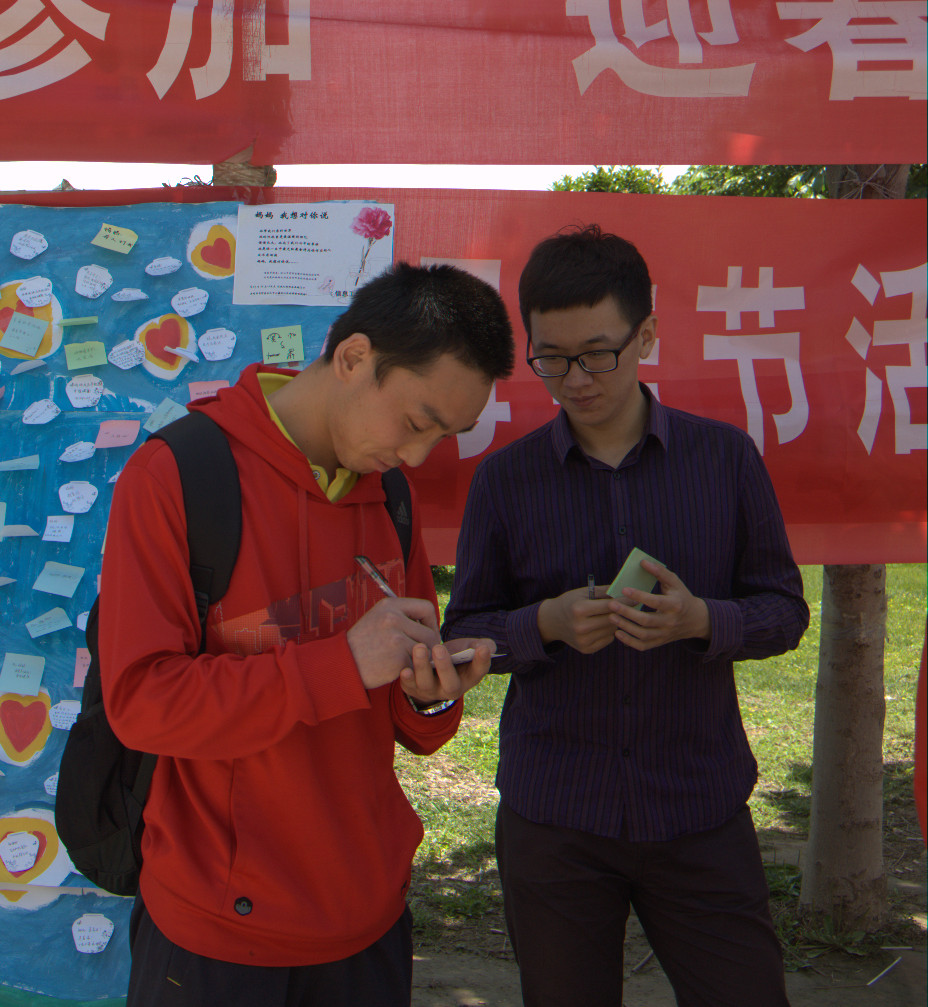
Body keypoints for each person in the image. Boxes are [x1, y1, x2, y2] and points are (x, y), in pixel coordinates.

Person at [98, 262, 515, 1006]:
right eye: (416, 422)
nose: (418, 455)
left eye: (444, 436)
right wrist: (341, 664)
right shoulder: (176, 475)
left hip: (367, 920)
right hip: (216, 935)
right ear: (353, 357)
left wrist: (431, 693)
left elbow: (411, 722)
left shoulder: (390, 494)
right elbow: (141, 702)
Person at [444, 225, 809, 1007]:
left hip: (697, 806)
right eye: (551, 358)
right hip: (556, 816)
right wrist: (543, 624)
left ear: (645, 335)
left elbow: (784, 612)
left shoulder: (725, 460)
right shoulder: (505, 481)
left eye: (598, 353)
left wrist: (701, 620)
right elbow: (464, 635)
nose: (576, 379)